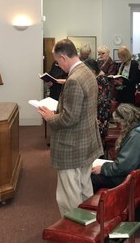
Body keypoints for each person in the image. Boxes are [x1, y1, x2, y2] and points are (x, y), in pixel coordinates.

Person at [38, 39, 103, 216]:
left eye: (58, 62)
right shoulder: (87, 72)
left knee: (68, 195)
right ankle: (89, 225)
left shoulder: (74, 79)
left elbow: (69, 118)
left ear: (64, 57)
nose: (59, 65)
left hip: (72, 145)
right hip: (86, 141)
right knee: (84, 187)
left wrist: (51, 117)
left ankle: (75, 231)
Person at [91, 103, 140, 193]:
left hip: (130, 178)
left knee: (92, 178)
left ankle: (97, 205)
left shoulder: (137, 135)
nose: (118, 126)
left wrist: (103, 168)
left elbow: (123, 167)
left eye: (118, 123)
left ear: (125, 120)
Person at [84, 59, 112, 147]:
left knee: (99, 136)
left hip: (101, 110)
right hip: (100, 108)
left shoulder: (101, 78)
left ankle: (99, 156)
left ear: (92, 70)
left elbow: (101, 97)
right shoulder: (97, 77)